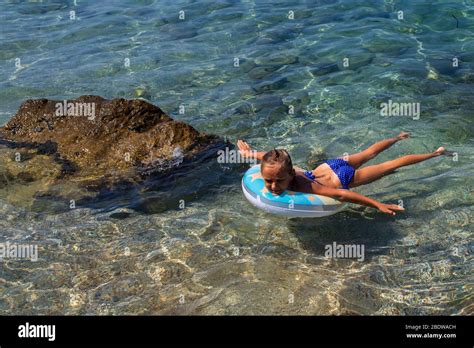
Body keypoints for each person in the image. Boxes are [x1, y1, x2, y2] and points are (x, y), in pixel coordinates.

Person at [237, 132, 450, 215]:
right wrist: (250, 153)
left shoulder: (304, 186)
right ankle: (397, 137)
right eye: (268, 181)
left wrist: (378, 204)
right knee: (370, 152)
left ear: (291, 174)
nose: (273, 186)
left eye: (278, 181)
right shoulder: (281, 168)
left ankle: (435, 154)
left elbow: (342, 195)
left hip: (342, 177)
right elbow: (269, 159)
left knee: (390, 166)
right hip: (329, 165)